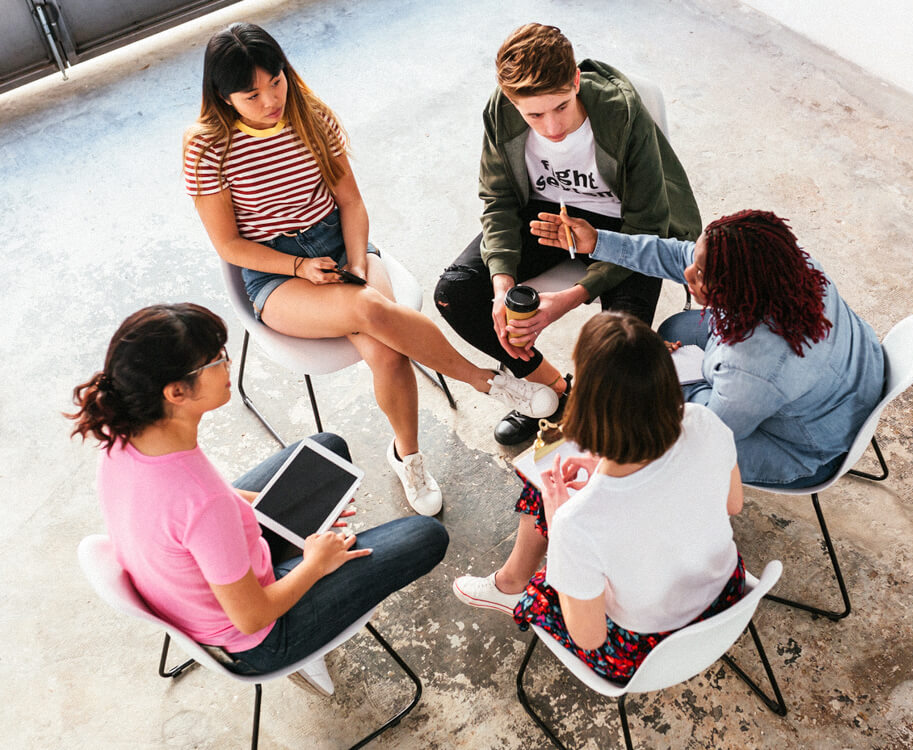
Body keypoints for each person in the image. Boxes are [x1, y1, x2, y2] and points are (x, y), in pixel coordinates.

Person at [183, 22, 558, 516]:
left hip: (340, 242)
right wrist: (299, 266)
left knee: (385, 350)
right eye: (251, 95)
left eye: (276, 82)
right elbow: (229, 245)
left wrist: (357, 260)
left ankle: (408, 456)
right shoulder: (206, 147)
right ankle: (484, 380)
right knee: (370, 308)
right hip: (274, 272)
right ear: (223, 96)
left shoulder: (310, 115)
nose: (271, 100)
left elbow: (351, 202)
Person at [67, 303, 450, 679]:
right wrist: (316, 563)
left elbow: (199, 508)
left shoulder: (125, 437)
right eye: (216, 359)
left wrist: (286, 508)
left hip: (189, 582)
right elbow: (252, 616)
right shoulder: (204, 502)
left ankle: (294, 531)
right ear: (176, 393)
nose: (227, 364)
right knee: (426, 535)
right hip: (259, 638)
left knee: (326, 448)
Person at [434, 23, 701, 446]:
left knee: (617, 350)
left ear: (576, 80)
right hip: (541, 216)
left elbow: (649, 223)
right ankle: (555, 394)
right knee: (457, 292)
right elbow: (498, 198)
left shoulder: (620, 113)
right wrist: (502, 285)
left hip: (622, 227)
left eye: (560, 107)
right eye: (534, 115)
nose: (552, 128)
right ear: (511, 101)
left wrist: (572, 296)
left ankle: (589, 403)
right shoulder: (500, 112)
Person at [452, 312, 744, 684]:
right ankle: (512, 580)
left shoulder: (578, 523)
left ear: (588, 406)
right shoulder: (704, 421)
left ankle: (511, 585)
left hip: (646, 649)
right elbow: (732, 504)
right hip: (726, 598)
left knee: (542, 491)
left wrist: (560, 529)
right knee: (563, 503)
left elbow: (590, 638)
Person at [531, 208, 886, 488]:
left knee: (655, 426)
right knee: (674, 330)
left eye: (701, 275)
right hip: (847, 379)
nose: (687, 274)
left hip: (805, 447)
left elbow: (709, 432)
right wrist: (597, 242)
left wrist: (659, 379)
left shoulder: (753, 368)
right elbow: (676, 255)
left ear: (739, 292)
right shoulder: (789, 270)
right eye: (697, 262)